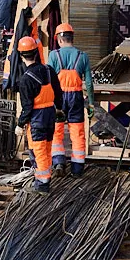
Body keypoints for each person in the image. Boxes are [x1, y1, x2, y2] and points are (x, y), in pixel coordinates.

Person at [47, 22, 95, 175]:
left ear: (59, 39)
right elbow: (89, 83)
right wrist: (91, 104)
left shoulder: (53, 55)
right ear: (72, 38)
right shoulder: (83, 56)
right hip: (76, 98)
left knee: (56, 131)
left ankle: (58, 162)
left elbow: (48, 80)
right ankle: (77, 169)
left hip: (58, 98)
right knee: (77, 132)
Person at [15, 34, 60, 191]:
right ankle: (46, 178)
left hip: (37, 118)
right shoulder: (49, 70)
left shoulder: (25, 79)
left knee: (38, 150)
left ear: (21, 56)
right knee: (47, 148)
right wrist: (60, 109)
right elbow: (58, 93)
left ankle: (42, 184)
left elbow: (27, 107)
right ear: (36, 52)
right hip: (50, 115)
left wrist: (20, 124)